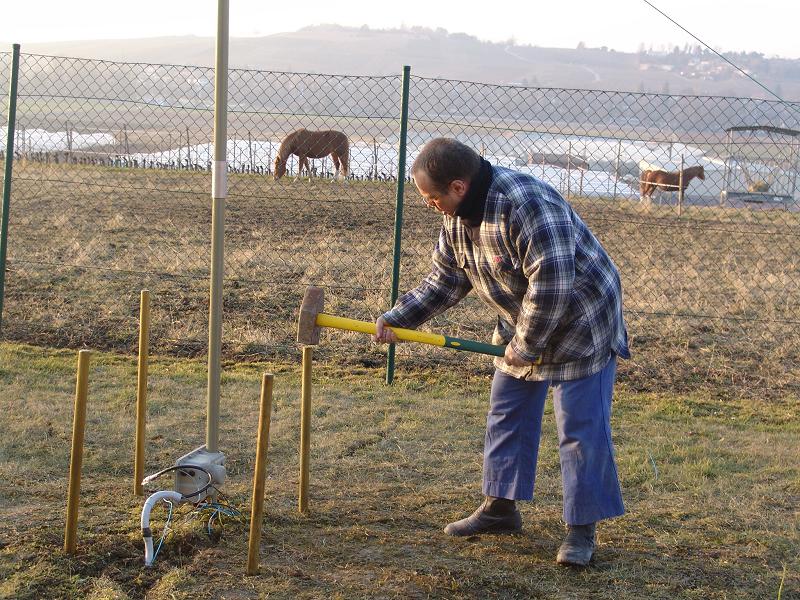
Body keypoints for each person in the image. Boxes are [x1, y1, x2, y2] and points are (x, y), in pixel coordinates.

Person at [373, 138, 630, 566]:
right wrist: (401, 316)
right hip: (521, 321)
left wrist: (526, 348)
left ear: (458, 185)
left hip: (582, 320)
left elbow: (552, 285)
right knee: (507, 412)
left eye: (431, 197)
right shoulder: (456, 217)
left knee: (580, 428)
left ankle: (581, 530)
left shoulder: (525, 205)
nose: (429, 205)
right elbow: (446, 280)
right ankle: (500, 509)